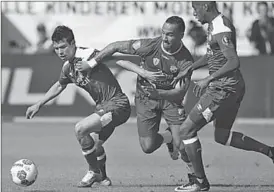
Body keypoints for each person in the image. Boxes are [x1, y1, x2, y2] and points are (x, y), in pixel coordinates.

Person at [172, 2, 274, 192]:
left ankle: (199, 182)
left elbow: (233, 60)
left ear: (206, 7)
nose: (193, 13)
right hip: (230, 88)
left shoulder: (221, 26)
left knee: (186, 131)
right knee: (222, 136)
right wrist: (190, 68)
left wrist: (208, 78)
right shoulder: (214, 24)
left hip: (223, 89)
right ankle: (273, 152)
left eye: (196, 8)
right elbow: (212, 55)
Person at [76, 16, 198, 179]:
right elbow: (115, 47)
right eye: (163, 33)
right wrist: (91, 64)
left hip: (170, 101)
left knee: (181, 145)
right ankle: (167, 137)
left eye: (170, 34)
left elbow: (180, 93)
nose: (164, 37)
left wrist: (160, 93)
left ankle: (195, 177)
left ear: (181, 35)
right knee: (148, 146)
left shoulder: (186, 61)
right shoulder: (149, 45)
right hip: (145, 100)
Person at [25, 25, 131, 188]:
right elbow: (60, 85)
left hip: (118, 104)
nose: (60, 52)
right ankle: (102, 177)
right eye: (56, 48)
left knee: (80, 129)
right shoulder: (68, 67)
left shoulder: (87, 55)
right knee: (93, 146)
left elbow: (113, 57)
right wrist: (39, 104)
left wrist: (142, 71)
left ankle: (93, 171)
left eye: (63, 47)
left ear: (73, 43)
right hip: (103, 107)